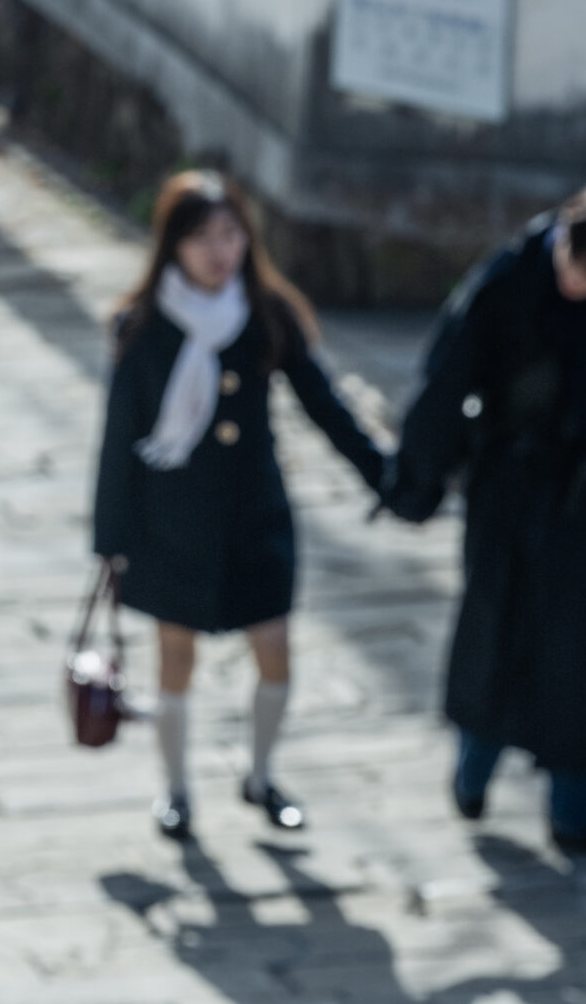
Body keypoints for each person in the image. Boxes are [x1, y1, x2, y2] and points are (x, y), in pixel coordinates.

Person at [384, 178, 586, 859]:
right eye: (573, 263)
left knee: (584, 658)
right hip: (510, 492)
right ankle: (473, 771)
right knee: (495, 633)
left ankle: (576, 811)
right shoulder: (509, 275)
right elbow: (446, 375)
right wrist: (414, 474)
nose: (577, 281)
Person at [93, 169, 390, 840]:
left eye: (229, 234)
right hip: (171, 521)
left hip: (255, 515)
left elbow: (323, 405)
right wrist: (110, 539)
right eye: (201, 237)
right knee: (176, 655)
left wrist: (383, 474)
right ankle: (174, 792)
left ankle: (260, 776)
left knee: (274, 645)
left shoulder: (263, 313)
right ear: (172, 245)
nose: (217, 251)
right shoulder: (140, 326)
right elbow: (117, 439)